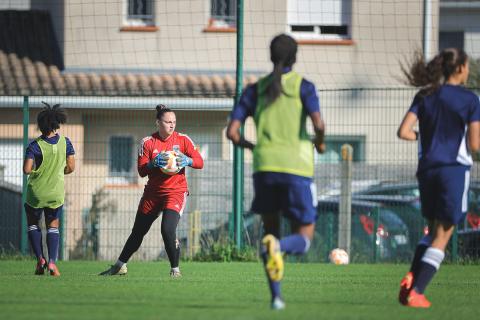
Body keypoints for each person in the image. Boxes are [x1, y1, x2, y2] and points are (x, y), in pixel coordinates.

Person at [226, 34, 325, 310]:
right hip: (297, 167)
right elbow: (319, 125)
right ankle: (280, 252)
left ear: (271, 56)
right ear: (295, 57)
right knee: (304, 237)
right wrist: (319, 143)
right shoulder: (304, 87)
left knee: (270, 235)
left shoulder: (255, 89)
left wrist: (254, 147)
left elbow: (232, 133)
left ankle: (277, 298)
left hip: (265, 168)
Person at [397, 48, 480, 308]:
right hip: (452, 170)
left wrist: (427, 139)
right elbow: (475, 144)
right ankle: (417, 291)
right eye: (467, 66)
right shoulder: (470, 100)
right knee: (445, 233)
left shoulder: (425, 95)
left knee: (433, 230)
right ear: (460, 69)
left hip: (427, 170)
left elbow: (404, 131)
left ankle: (411, 279)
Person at [100, 104, 204, 277]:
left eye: (174, 122)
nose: (172, 125)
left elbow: (200, 162)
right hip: (152, 194)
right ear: (158, 122)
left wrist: (188, 160)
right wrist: (152, 163)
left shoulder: (183, 140)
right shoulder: (148, 142)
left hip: (176, 192)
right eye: (168, 122)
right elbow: (141, 171)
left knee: (167, 229)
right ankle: (119, 266)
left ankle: (175, 270)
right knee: (138, 232)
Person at [23, 102, 76, 276]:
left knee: (33, 224)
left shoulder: (34, 146)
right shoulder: (66, 143)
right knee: (53, 226)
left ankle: (40, 259)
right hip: (55, 193)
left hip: (36, 193)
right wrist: (58, 172)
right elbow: (70, 167)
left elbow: (27, 170)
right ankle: (52, 263)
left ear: (41, 125)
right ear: (57, 123)